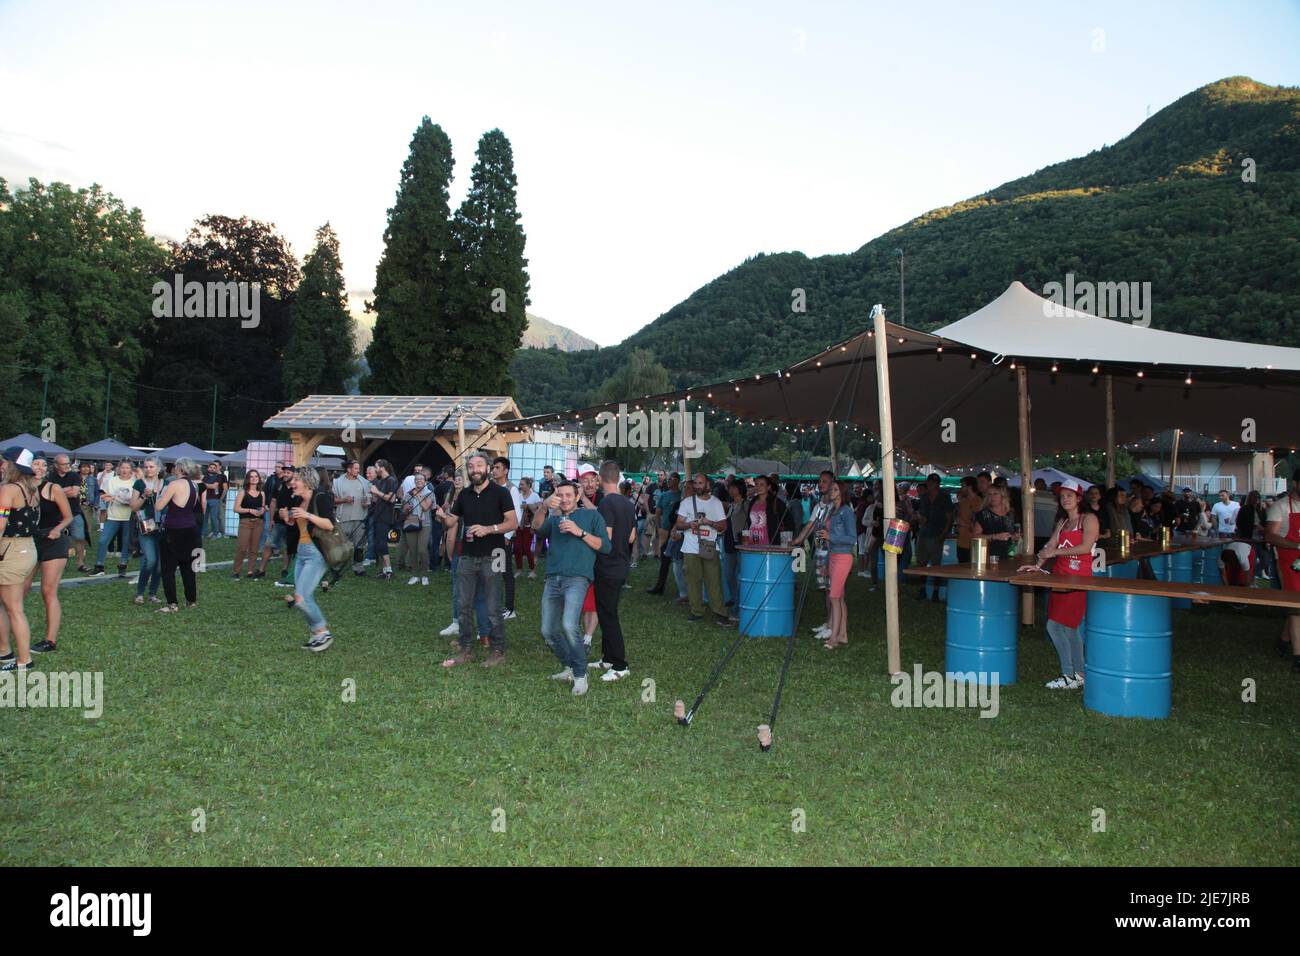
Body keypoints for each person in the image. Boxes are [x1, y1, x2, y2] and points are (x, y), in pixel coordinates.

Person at [436, 453, 517, 668]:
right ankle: (466, 649)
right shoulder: (464, 495)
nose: (475, 469)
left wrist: (489, 529)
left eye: (479, 465)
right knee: (463, 605)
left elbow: (513, 522)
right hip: (468, 556)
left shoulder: (501, 493)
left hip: (495, 555)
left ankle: (498, 650)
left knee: (492, 605)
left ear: (488, 468)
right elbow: (452, 520)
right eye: (471, 466)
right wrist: (443, 518)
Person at [531, 480, 611, 696]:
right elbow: (536, 529)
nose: (564, 499)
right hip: (552, 578)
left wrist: (580, 532)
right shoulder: (555, 517)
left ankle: (580, 674)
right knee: (547, 630)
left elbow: (605, 546)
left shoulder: (591, 516)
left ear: (577, 496)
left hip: (578, 578)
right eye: (560, 495)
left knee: (568, 625)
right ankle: (569, 666)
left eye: (569, 495)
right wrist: (544, 507)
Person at [1022, 480, 1097, 689]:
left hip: (1078, 579)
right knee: (1069, 629)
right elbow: (1050, 545)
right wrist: (1037, 565)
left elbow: (1085, 547)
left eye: (1069, 496)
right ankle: (1078, 675)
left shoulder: (1089, 519)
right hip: (1059, 578)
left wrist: (1055, 552)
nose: (1065, 499)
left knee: (1055, 627)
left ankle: (1070, 674)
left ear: (1079, 499)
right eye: (1062, 496)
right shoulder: (1063, 522)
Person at [591, 460, 637, 680]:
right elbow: (631, 537)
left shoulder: (606, 503)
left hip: (607, 566)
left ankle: (619, 665)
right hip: (621, 564)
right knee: (606, 612)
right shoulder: (628, 504)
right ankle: (608, 657)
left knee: (608, 615)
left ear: (600, 479)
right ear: (618, 478)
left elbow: (605, 537)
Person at [285, 466, 337, 652]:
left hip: (316, 554)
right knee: (302, 597)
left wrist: (307, 515)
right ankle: (317, 634)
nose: (292, 483)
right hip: (302, 552)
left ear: (307, 481)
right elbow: (301, 526)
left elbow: (329, 524)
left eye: (296, 480)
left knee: (301, 598)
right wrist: (288, 518)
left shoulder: (320, 497)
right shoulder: (302, 500)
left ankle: (323, 632)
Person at [24, 457, 73, 654]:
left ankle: (50, 641)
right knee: (20, 588)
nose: (40, 468)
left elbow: (68, 516)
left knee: (48, 590)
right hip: (28, 541)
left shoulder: (54, 488)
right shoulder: (18, 487)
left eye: (44, 465)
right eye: (36, 463)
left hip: (53, 540)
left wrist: (57, 529)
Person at [0, 447, 41, 672]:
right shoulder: (30, 489)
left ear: (12, 465)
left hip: (11, 550)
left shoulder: (8, 490)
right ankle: (5, 651)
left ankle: (24, 660)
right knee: (6, 605)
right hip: (26, 548)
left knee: (14, 608)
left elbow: (0, 524)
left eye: (4, 461)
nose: (2, 465)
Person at [676, 472, 733, 626]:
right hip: (690, 548)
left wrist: (709, 523)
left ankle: (720, 613)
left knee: (714, 581)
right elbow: (678, 524)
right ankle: (696, 611)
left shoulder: (716, 503)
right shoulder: (687, 502)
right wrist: (689, 525)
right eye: (696, 483)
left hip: (709, 547)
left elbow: (723, 526)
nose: (697, 486)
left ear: (708, 484)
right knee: (693, 581)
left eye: (700, 483)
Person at [154, 458, 206, 613]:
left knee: (168, 569)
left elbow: (159, 507)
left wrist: (158, 493)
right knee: (188, 567)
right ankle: (191, 601)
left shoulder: (174, 484)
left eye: (175, 466)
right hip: (190, 529)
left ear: (180, 468)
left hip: (174, 530)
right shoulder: (195, 486)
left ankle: (172, 604)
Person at [1264, 474, 1300, 672]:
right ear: (1295, 484)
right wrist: (1297, 545)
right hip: (1289, 563)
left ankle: (1284, 639)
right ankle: (1298, 657)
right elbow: (1270, 535)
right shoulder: (1281, 507)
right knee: (1297, 606)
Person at [821, 481, 857, 649]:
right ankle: (842, 635)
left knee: (834, 597)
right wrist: (827, 561)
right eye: (831, 489)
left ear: (842, 492)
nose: (831, 491)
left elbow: (852, 538)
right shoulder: (833, 511)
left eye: (835, 489)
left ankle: (833, 638)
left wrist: (831, 536)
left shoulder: (847, 512)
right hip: (834, 555)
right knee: (839, 597)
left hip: (843, 556)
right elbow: (829, 540)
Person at [911, 473, 954, 602]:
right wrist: (918, 518)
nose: (930, 484)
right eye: (929, 482)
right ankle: (923, 589)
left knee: (936, 565)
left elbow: (949, 518)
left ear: (937, 484)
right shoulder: (924, 498)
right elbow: (922, 517)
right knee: (921, 563)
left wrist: (943, 534)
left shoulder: (944, 497)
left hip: (937, 533)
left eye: (932, 482)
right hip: (924, 533)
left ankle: (935, 592)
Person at [129, 456, 165, 602]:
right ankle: (139, 592)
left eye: (151, 466)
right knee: (150, 560)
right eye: (146, 467)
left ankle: (152, 594)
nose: (148, 469)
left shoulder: (166, 483)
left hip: (163, 527)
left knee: (159, 565)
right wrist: (144, 495)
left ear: (158, 468)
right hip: (146, 526)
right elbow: (133, 507)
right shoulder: (139, 483)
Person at [492, 457, 524, 618]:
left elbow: (517, 514)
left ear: (506, 471)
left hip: (502, 536)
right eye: (493, 467)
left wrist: (507, 535)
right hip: (492, 534)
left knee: (504, 572)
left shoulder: (511, 489)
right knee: (494, 571)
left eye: (497, 467)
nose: (494, 470)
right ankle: (496, 604)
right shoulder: (491, 487)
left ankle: (509, 608)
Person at [94, 460, 136, 577]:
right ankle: (99, 566)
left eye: (127, 468)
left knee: (126, 543)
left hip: (128, 517)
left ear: (131, 470)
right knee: (103, 540)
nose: (124, 470)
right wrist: (107, 497)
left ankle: (123, 565)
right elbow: (103, 493)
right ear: (118, 468)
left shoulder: (135, 482)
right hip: (113, 516)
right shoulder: (112, 480)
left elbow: (131, 502)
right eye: (122, 467)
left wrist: (114, 498)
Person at [331, 459, 371, 576]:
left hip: (360, 518)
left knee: (359, 545)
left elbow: (368, 498)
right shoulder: (338, 482)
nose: (358, 471)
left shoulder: (363, 482)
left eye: (358, 468)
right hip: (343, 518)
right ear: (348, 469)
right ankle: (337, 568)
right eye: (356, 468)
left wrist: (366, 503)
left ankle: (358, 568)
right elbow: (332, 500)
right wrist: (343, 500)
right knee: (341, 544)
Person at [399, 471, 435, 585]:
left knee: (422, 549)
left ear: (425, 481)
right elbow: (402, 508)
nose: (418, 481)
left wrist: (418, 495)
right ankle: (414, 575)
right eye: (416, 479)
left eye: (421, 479)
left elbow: (425, 507)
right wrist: (406, 508)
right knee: (412, 550)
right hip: (411, 522)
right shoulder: (408, 493)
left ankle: (424, 574)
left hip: (424, 524)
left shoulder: (429, 493)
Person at [368, 459, 400, 580]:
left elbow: (391, 499)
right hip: (378, 515)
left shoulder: (391, 480)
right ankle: (384, 569)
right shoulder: (381, 481)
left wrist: (377, 492)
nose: (375, 469)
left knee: (382, 543)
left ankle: (389, 571)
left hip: (385, 516)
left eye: (376, 467)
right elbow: (381, 498)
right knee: (378, 543)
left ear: (382, 468)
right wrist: (374, 497)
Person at [232, 469, 267, 578]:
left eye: (256, 476)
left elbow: (262, 507)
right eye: (251, 476)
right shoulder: (243, 492)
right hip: (245, 523)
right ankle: (236, 571)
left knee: (254, 548)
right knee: (242, 547)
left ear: (259, 479)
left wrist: (262, 510)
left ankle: (250, 571)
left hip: (258, 523)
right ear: (248, 479)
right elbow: (236, 509)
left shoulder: (262, 493)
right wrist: (249, 510)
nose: (254, 478)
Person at [971, 485, 1020, 558]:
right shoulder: (983, 514)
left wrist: (1014, 537)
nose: (992, 497)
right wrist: (995, 537)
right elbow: (975, 536)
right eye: (989, 494)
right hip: (989, 554)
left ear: (1003, 496)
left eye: (995, 494)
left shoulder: (1011, 514)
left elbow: (1014, 532)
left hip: (1009, 553)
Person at [515, 476, 541, 579]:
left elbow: (539, 507)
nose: (520, 486)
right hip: (517, 525)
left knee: (526, 548)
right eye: (520, 484)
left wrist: (529, 506)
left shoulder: (534, 496)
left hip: (529, 526)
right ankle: (519, 570)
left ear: (528, 485)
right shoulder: (518, 495)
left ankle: (532, 570)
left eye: (522, 484)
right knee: (517, 548)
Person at [953, 476, 983, 562]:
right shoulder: (963, 502)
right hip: (961, 542)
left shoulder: (979, 502)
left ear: (969, 487)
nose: (961, 488)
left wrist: (963, 524)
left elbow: (977, 525)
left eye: (962, 486)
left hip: (972, 543)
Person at [202, 461, 228, 539]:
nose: (212, 469)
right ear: (208, 468)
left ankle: (215, 533)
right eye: (211, 467)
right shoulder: (205, 476)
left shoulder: (219, 476)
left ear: (217, 468)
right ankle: (203, 533)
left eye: (214, 468)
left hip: (214, 499)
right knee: (204, 517)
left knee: (214, 518)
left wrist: (203, 484)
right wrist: (207, 485)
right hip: (205, 499)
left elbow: (214, 486)